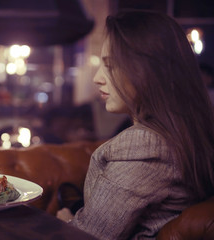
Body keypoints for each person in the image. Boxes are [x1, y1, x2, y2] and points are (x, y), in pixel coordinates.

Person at [56, 9, 214, 239]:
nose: (97, 77)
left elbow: (88, 235)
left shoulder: (144, 146)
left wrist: (63, 223)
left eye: (110, 66)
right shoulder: (188, 132)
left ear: (149, 71)